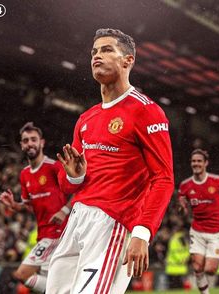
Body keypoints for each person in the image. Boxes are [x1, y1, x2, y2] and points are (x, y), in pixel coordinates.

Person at [46, 28, 174, 294]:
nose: (96, 56)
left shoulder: (147, 111)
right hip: (77, 221)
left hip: (112, 224)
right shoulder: (87, 118)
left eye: (106, 50)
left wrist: (141, 233)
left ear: (128, 60)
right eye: (94, 52)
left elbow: (163, 179)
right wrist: (75, 176)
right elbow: (66, 185)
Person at [0, 122, 72, 293]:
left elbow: (77, 190)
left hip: (58, 233)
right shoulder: (24, 174)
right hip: (43, 234)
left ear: (42, 143)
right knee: (51, 281)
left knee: (22, 274)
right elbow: (29, 207)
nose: (30, 143)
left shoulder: (53, 167)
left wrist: (64, 210)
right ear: (21, 145)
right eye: (25, 140)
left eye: (34, 139)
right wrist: (14, 205)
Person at [178, 149, 219, 294]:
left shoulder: (217, 181)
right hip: (197, 230)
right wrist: (182, 206)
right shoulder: (185, 185)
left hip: (216, 231)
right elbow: (181, 199)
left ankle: (208, 263)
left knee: (210, 270)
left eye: (199, 161)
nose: (196, 164)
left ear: (206, 163)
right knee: (197, 267)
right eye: (193, 161)